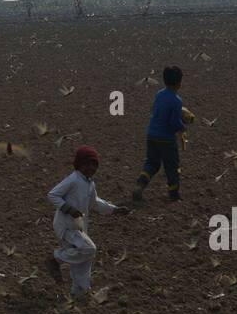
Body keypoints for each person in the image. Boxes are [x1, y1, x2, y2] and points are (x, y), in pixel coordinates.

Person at [45, 145, 129, 298]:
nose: (91, 168)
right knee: (89, 249)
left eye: (94, 164)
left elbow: (95, 203)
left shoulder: (90, 183)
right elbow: (52, 195)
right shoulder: (73, 179)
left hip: (78, 226)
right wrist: (68, 209)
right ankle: (55, 259)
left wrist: (114, 209)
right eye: (87, 164)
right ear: (79, 165)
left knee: (84, 259)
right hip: (66, 226)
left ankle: (80, 292)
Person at [132, 65, 195, 202]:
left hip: (152, 135)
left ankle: (140, 185)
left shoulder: (159, 94)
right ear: (179, 82)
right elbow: (173, 122)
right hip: (166, 139)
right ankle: (174, 193)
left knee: (152, 163)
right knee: (172, 166)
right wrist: (182, 127)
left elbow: (154, 110)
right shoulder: (176, 101)